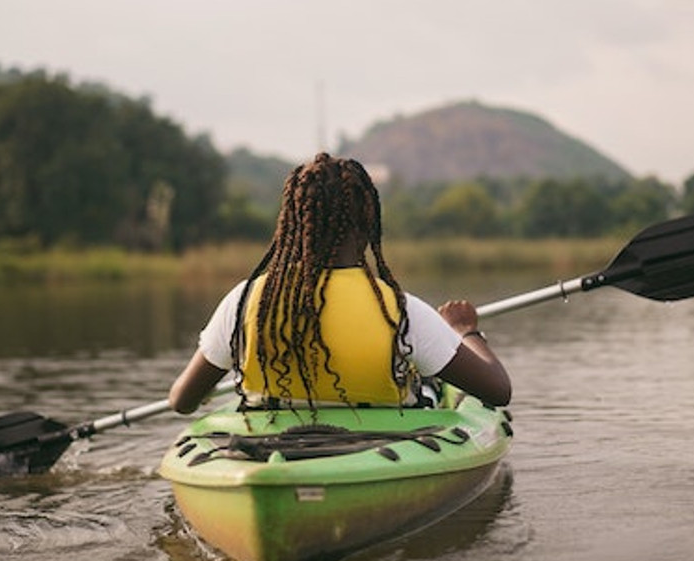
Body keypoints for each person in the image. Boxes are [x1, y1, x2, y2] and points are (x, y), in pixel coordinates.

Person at [169, 152, 511, 414]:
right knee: (431, 384)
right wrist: (464, 330)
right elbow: (498, 391)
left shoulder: (244, 300)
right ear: (368, 221)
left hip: (268, 442)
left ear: (292, 222)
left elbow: (182, 401)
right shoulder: (400, 311)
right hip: (383, 447)